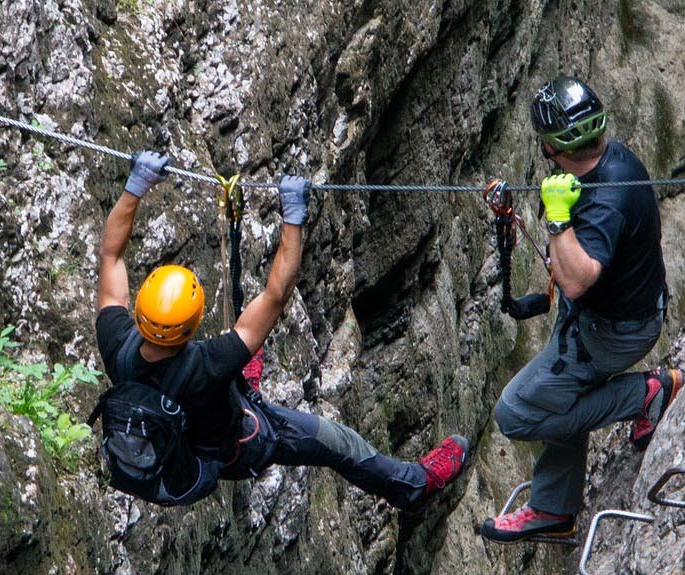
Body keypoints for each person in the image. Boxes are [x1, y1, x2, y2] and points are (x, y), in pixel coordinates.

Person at [93, 150, 469, 509]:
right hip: (241, 445)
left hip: (174, 444)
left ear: (139, 309)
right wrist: (293, 215)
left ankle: (243, 388)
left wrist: (135, 186)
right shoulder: (210, 365)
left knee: (238, 358)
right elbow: (276, 295)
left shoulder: (117, 343)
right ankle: (413, 486)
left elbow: (111, 256)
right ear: (192, 325)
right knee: (337, 442)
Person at [479, 77, 685, 542]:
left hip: (612, 331)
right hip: (611, 316)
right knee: (552, 392)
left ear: (552, 146)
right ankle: (554, 508)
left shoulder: (607, 198)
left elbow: (575, 280)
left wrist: (556, 218)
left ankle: (645, 396)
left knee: (515, 412)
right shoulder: (608, 163)